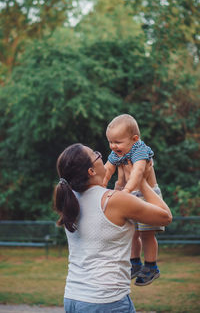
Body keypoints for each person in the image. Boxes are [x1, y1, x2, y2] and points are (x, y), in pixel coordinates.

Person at [53, 143, 172, 313]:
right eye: (96, 154)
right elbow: (165, 216)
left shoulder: (71, 200)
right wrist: (142, 182)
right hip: (106, 301)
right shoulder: (113, 200)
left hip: (73, 297)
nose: (101, 156)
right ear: (91, 171)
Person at [103, 114, 165, 286]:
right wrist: (100, 187)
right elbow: (107, 170)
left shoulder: (140, 150)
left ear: (134, 139)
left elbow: (137, 173)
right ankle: (135, 263)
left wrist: (127, 190)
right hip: (128, 194)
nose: (113, 146)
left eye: (117, 142)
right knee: (131, 232)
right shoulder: (118, 152)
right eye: (110, 142)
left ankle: (151, 266)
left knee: (147, 234)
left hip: (147, 196)